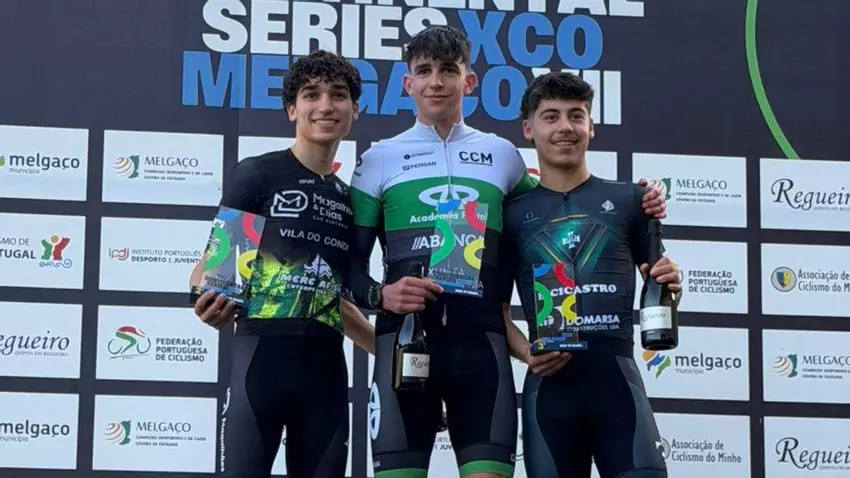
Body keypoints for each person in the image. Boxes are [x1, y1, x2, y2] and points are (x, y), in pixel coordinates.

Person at [345, 26, 669, 478]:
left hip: (482, 352)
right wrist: (381, 296)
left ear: (469, 81)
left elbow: (553, 213)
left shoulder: (502, 156)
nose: (436, 81)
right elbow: (349, 269)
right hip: (405, 346)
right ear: (408, 83)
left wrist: (641, 200)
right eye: (424, 71)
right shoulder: (378, 158)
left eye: (448, 70)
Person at [189, 50, 375, 478]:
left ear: (354, 110)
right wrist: (202, 299)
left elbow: (336, 302)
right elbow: (213, 267)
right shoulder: (257, 175)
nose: (325, 105)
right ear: (292, 109)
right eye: (311, 95)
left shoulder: (350, 200)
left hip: (326, 379)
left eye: (338, 95)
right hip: (260, 368)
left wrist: (392, 362)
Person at [500, 71, 684, 478]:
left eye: (576, 115)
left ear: (591, 126)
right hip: (549, 391)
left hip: (618, 383)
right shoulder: (509, 214)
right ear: (529, 129)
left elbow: (660, 288)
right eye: (551, 117)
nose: (565, 127)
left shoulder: (633, 201)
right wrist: (526, 352)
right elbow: (496, 313)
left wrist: (673, 283)